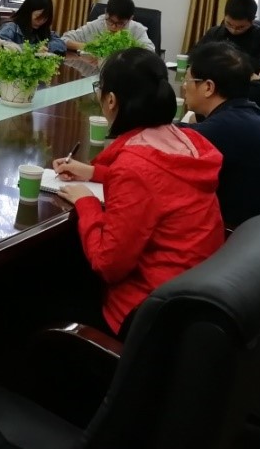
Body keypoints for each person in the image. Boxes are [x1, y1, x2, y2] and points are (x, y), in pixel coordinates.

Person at [53, 47, 224, 337]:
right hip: (193, 299)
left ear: (111, 100)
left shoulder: (134, 168)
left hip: (148, 316)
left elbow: (108, 264)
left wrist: (87, 202)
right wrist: (94, 173)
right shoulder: (186, 140)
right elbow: (159, 182)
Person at [182, 42, 260, 227]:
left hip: (248, 236)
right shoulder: (252, 113)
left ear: (208, 87)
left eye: (188, 80)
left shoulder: (224, 128)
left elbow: (173, 139)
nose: (184, 86)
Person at [193, 0, 260, 73]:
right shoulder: (214, 32)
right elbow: (193, 55)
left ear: (252, 21)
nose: (233, 30)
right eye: (229, 24)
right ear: (224, 16)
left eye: (240, 27)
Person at [62, 0, 156, 52]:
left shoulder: (137, 29)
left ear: (130, 18)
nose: (113, 27)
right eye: (110, 21)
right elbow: (64, 40)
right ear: (106, 12)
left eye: (120, 23)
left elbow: (150, 51)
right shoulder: (97, 25)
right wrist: (90, 47)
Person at [0, 0, 67, 54]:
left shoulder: (42, 29)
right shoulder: (10, 27)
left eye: (45, 18)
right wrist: (35, 48)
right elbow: (1, 45)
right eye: (38, 17)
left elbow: (61, 44)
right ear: (28, 12)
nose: (41, 22)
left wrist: (46, 45)